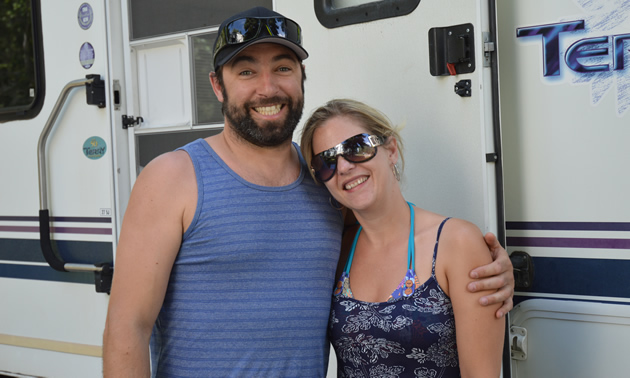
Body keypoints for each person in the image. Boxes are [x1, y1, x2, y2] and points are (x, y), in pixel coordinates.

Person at [103, 7, 513, 377]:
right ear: (217, 85)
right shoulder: (172, 178)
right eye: (246, 72)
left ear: (301, 78)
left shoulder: (326, 182)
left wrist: (489, 268)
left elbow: (390, 238)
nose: (268, 88)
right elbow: (128, 327)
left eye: (282, 68)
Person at [300, 99, 505, 377]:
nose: (345, 167)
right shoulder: (337, 248)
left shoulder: (456, 242)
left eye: (357, 147)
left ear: (391, 150)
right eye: (327, 162)